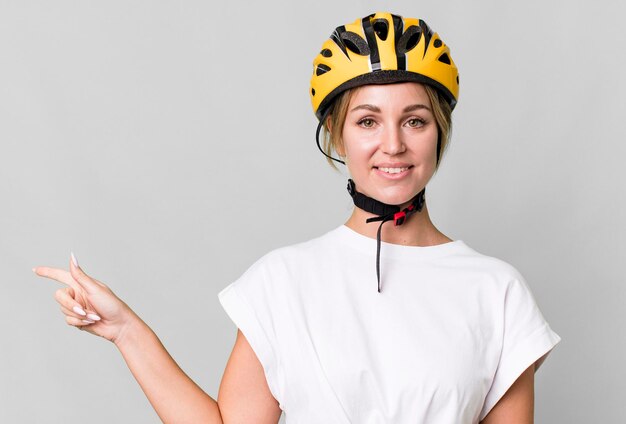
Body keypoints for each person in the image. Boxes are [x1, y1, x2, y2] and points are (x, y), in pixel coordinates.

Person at [33, 11, 561, 424]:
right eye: (368, 120)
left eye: (415, 120)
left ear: (439, 130)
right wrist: (126, 331)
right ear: (338, 135)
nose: (393, 144)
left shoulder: (496, 290)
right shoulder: (284, 281)